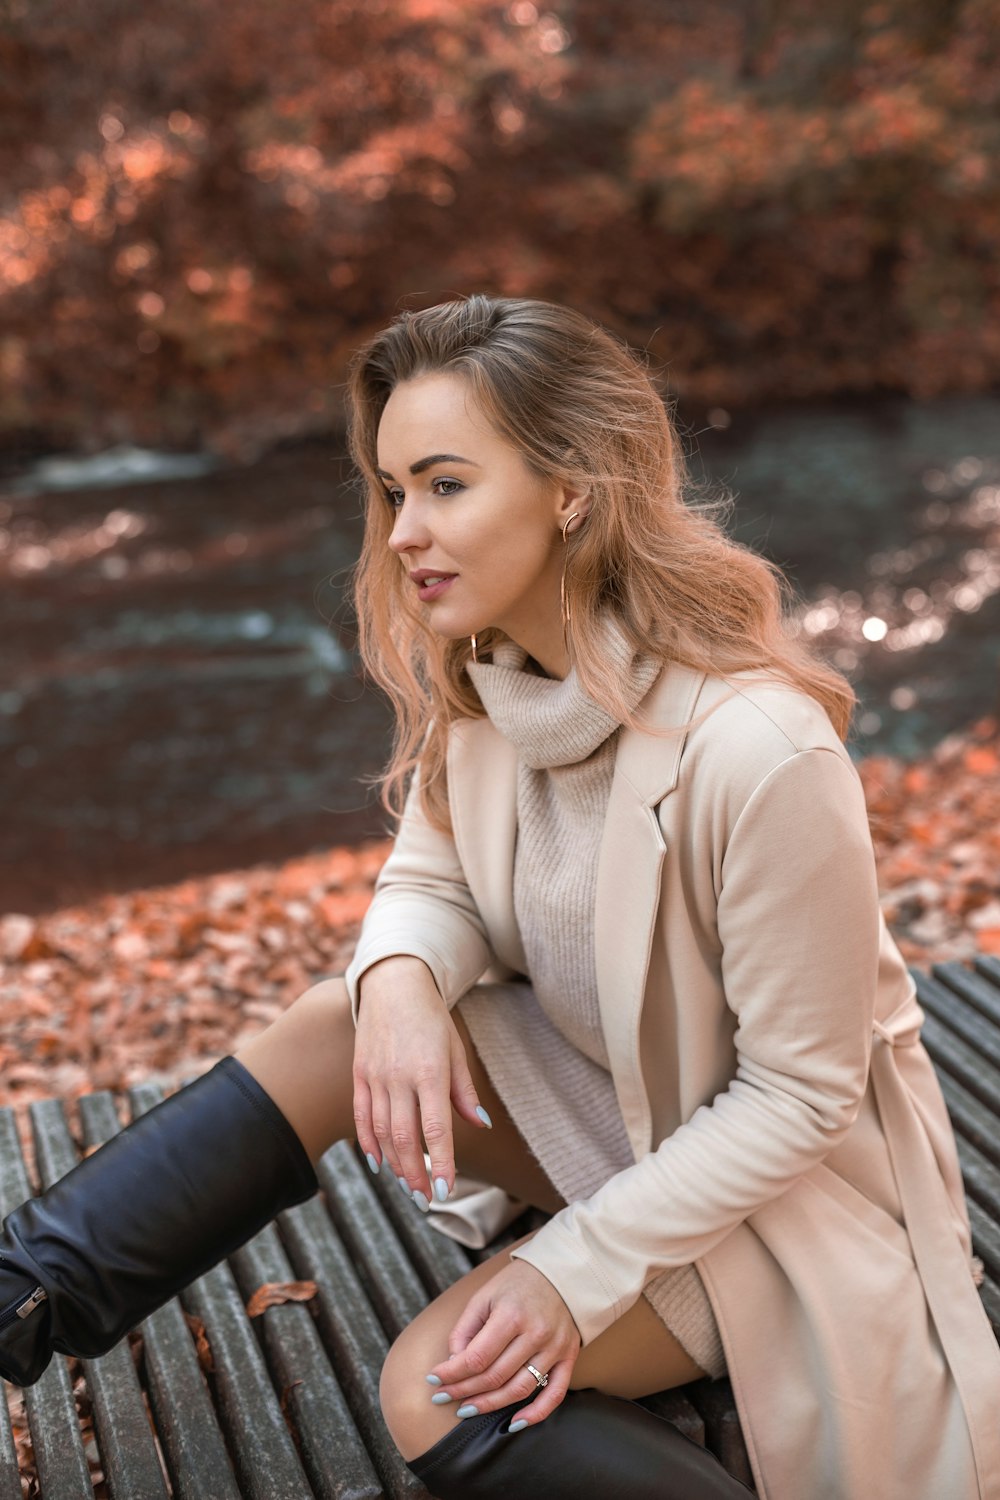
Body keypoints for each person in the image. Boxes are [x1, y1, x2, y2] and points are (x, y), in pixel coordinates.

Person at [1, 296, 998, 1499]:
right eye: (392, 490)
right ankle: (18, 1303)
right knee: (343, 1017)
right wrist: (407, 983)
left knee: (432, 1385)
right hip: (616, 1114)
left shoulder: (759, 750)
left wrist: (568, 1269)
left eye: (444, 485)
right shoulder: (495, 685)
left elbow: (797, 1098)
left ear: (570, 487)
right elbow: (434, 872)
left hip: (774, 1212)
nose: (404, 531)